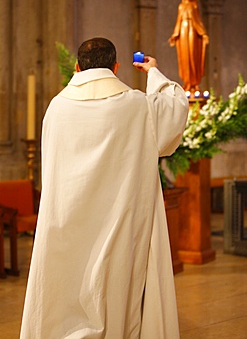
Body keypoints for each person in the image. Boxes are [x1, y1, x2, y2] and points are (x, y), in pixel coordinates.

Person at [20, 37, 188, 339]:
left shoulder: (57, 108)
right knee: (117, 287)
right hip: (119, 224)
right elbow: (174, 109)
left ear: (76, 67)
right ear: (116, 66)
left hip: (67, 224)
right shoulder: (137, 106)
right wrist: (153, 73)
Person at [169, 0, 209, 92]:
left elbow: (197, 20)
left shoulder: (194, 5)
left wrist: (203, 33)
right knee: (184, 57)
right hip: (183, 30)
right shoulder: (181, 6)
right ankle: (187, 82)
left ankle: (194, 83)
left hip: (192, 29)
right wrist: (175, 34)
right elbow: (178, 21)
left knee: (192, 55)